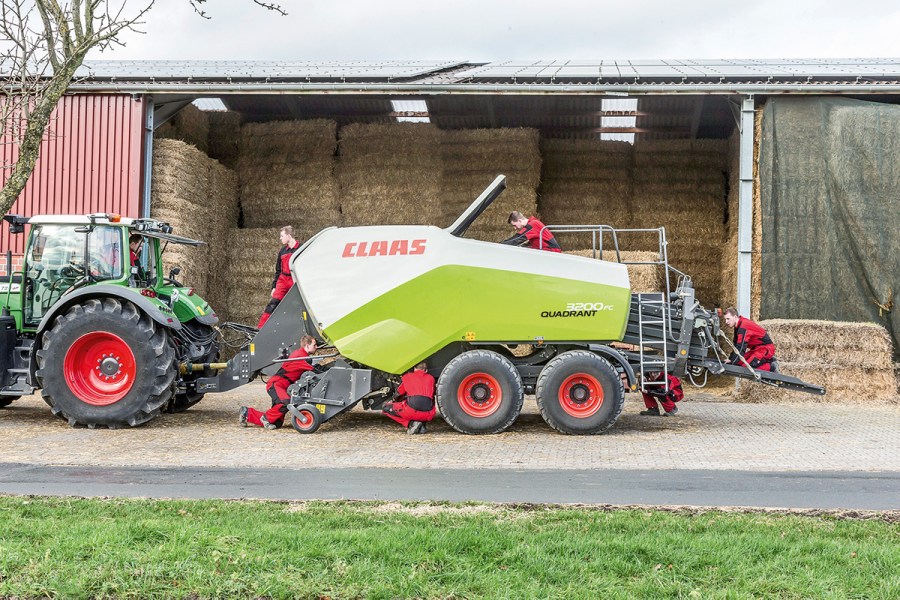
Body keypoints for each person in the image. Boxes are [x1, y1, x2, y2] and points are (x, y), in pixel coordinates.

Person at [239, 335, 320, 429]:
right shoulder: (300, 357)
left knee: (277, 422)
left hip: (282, 386)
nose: (316, 347)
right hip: (276, 384)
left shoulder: (302, 355)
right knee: (286, 403)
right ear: (307, 345)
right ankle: (265, 418)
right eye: (314, 345)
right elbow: (315, 370)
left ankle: (246, 413)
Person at [257, 226, 300, 329]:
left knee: (297, 305)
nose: (280, 238)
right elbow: (278, 270)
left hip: (295, 280)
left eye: (282, 236)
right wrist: (274, 286)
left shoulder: (301, 249)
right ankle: (259, 328)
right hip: (283, 280)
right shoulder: (282, 251)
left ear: (289, 236)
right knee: (273, 303)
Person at [382, 361, 436, 434]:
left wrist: (393, 402)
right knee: (423, 402)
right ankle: (422, 425)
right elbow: (433, 396)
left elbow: (398, 394)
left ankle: (411, 424)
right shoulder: (431, 378)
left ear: (414, 368)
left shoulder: (407, 377)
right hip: (429, 414)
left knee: (385, 408)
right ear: (426, 370)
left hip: (411, 411)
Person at [723, 307, 777, 372]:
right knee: (738, 363)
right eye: (725, 319)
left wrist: (733, 362)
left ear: (735, 317)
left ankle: (771, 366)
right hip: (755, 349)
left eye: (728, 319)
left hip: (765, 349)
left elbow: (741, 346)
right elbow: (736, 345)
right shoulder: (738, 326)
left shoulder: (743, 326)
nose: (726, 322)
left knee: (745, 368)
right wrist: (731, 359)